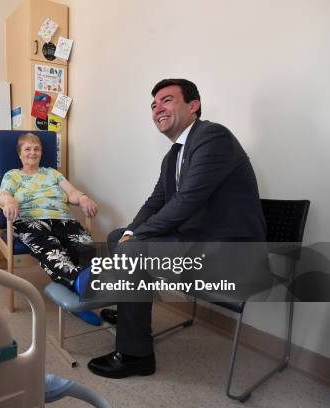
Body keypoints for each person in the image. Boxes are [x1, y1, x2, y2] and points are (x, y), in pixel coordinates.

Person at [87, 79, 266, 378]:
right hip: (199, 241)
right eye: (154, 105)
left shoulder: (213, 137)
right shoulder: (173, 156)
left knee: (131, 252)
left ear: (193, 105)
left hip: (231, 252)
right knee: (119, 236)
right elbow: (155, 202)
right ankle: (133, 312)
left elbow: (187, 201)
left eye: (167, 100)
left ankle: (135, 355)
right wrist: (132, 231)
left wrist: (137, 238)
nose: (158, 108)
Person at [0, 133, 100, 324]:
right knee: (52, 251)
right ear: (19, 154)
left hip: (63, 219)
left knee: (87, 249)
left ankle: (79, 293)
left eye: (36, 149)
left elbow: (71, 193)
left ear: (41, 153)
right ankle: (78, 286)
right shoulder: (13, 175)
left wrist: (83, 198)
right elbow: (3, 195)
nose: (32, 152)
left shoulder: (53, 173)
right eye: (27, 149)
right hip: (30, 220)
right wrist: (9, 202)